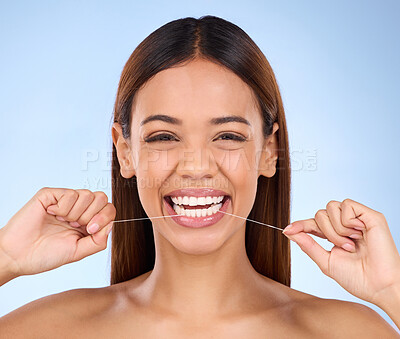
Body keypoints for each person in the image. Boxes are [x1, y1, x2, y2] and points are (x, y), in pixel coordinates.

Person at [0, 15, 399, 338]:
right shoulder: (44, 330)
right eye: (163, 136)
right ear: (125, 152)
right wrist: (5, 258)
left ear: (269, 152)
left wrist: (392, 290)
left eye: (227, 135)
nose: (195, 166)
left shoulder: (353, 332)